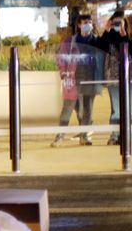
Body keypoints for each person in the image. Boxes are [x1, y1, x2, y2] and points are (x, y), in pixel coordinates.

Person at [53, 14, 103, 147]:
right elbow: (61, 59)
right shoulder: (70, 42)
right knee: (67, 109)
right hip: (73, 79)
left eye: (90, 22)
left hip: (90, 79)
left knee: (87, 110)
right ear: (79, 25)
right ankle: (59, 137)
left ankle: (84, 136)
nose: (89, 24)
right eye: (86, 22)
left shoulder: (97, 41)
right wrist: (64, 75)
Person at [96, 11, 128, 145]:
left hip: (128, 77)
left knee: (128, 107)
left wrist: (125, 36)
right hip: (113, 78)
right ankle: (115, 135)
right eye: (114, 22)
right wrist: (106, 30)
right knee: (116, 108)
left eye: (119, 23)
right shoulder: (109, 36)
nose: (117, 25)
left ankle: (127, 136)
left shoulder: (128, 35)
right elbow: (99, 47)